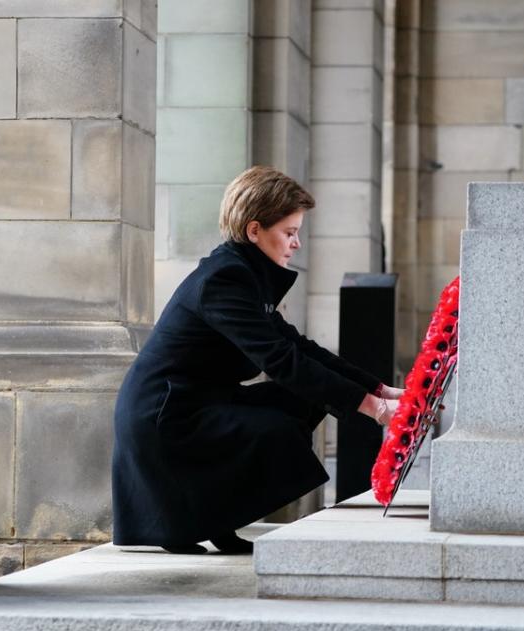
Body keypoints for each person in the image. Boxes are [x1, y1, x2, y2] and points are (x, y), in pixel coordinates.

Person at [112, 166, 402, 554]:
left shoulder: (244, 274)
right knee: (276, 424)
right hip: (167, 418)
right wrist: (375, 409)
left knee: (301, 400)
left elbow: (298, 346)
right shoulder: (225, 279)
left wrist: (380, 389)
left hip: (198, 404)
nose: (296, 243)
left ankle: (219, 521)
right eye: (289, 232)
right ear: (254, 231)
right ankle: (190, 524)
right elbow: (281, 361)